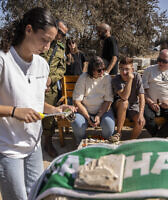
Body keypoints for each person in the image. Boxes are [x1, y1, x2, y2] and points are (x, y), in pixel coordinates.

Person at [0, 7, 76, 200]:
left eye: (51, 41)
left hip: (33, 146)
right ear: (28, 30)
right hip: (8, 148)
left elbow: (36, 103)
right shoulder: (3, 60)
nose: (48, 47)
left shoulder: (42, 65)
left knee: (38, 195)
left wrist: (57, 110)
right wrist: (14, 111)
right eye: (44, 40)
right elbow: (21, 108)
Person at [71, 56, 115, 144]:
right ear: (91, 70)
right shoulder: (83, 78)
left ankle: (105, 143)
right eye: (99, 70)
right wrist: (88, 117)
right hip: (85, 110)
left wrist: (98, 115)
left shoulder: (107, 77)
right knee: (77, 123)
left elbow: (108, 100)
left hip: (103, 109)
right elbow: (77, 101)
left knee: (109, 127)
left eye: (104, 69)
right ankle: (81, 142)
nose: (102, 72)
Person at [142, 49, 168, 138]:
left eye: (164, 61)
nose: (160, 63)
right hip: (151, 103)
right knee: (146, 117)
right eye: (159, 60)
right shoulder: (149, 70)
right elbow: (142, 90)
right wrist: (150, 102)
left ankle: (157, 138)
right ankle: (159, 138)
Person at [41, 20, 68, 158]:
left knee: (49, 118)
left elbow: (62, 69)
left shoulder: (61, 48)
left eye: (64, 34)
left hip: (50, 88)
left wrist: (51, 80)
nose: (61, 35)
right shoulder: (40, 41)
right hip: (33, 83)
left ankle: (48, 142)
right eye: (60, 32)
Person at [110, 57, 145, 142]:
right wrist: (130, 80)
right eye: (121, 69)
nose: (124, 72)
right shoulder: (116, 79)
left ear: (132, 69)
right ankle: (118, 133)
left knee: (141, 122)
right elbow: (124, 96)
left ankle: (131, 142)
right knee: (124, 102)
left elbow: (142, 97)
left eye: (127, 69)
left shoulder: (137, 77)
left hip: (133, 106)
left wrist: (141, 114)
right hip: (119, 106)